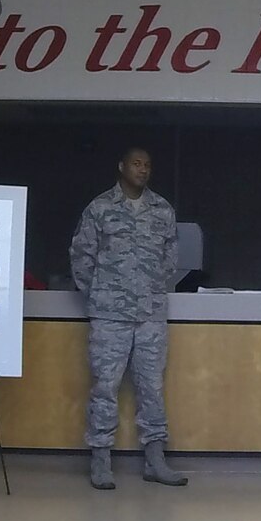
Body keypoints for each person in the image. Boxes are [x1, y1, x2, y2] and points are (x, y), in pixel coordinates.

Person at [69, 146, 184, 490]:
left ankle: (155, 459)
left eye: (147, 165)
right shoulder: (100, 208)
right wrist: (102, 296)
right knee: (105, 388)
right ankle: (101, 460)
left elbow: (170, 260)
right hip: (109, 316)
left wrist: (149, 293)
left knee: (152, 387)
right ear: (121, 166)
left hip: (149, 315)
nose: (142, 170)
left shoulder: (162, 210)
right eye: (136, 164)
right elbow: (81, 256)